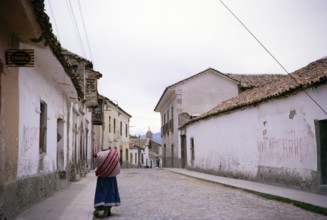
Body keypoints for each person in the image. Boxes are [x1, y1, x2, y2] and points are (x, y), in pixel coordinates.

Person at [92, 148, 121, 218]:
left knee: (103, 192)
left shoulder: (100, 157)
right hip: (111, 178)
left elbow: (97, 166)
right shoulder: (110, 157)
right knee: (111, 192)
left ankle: (104, 209)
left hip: (103, 178)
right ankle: (108, 209)